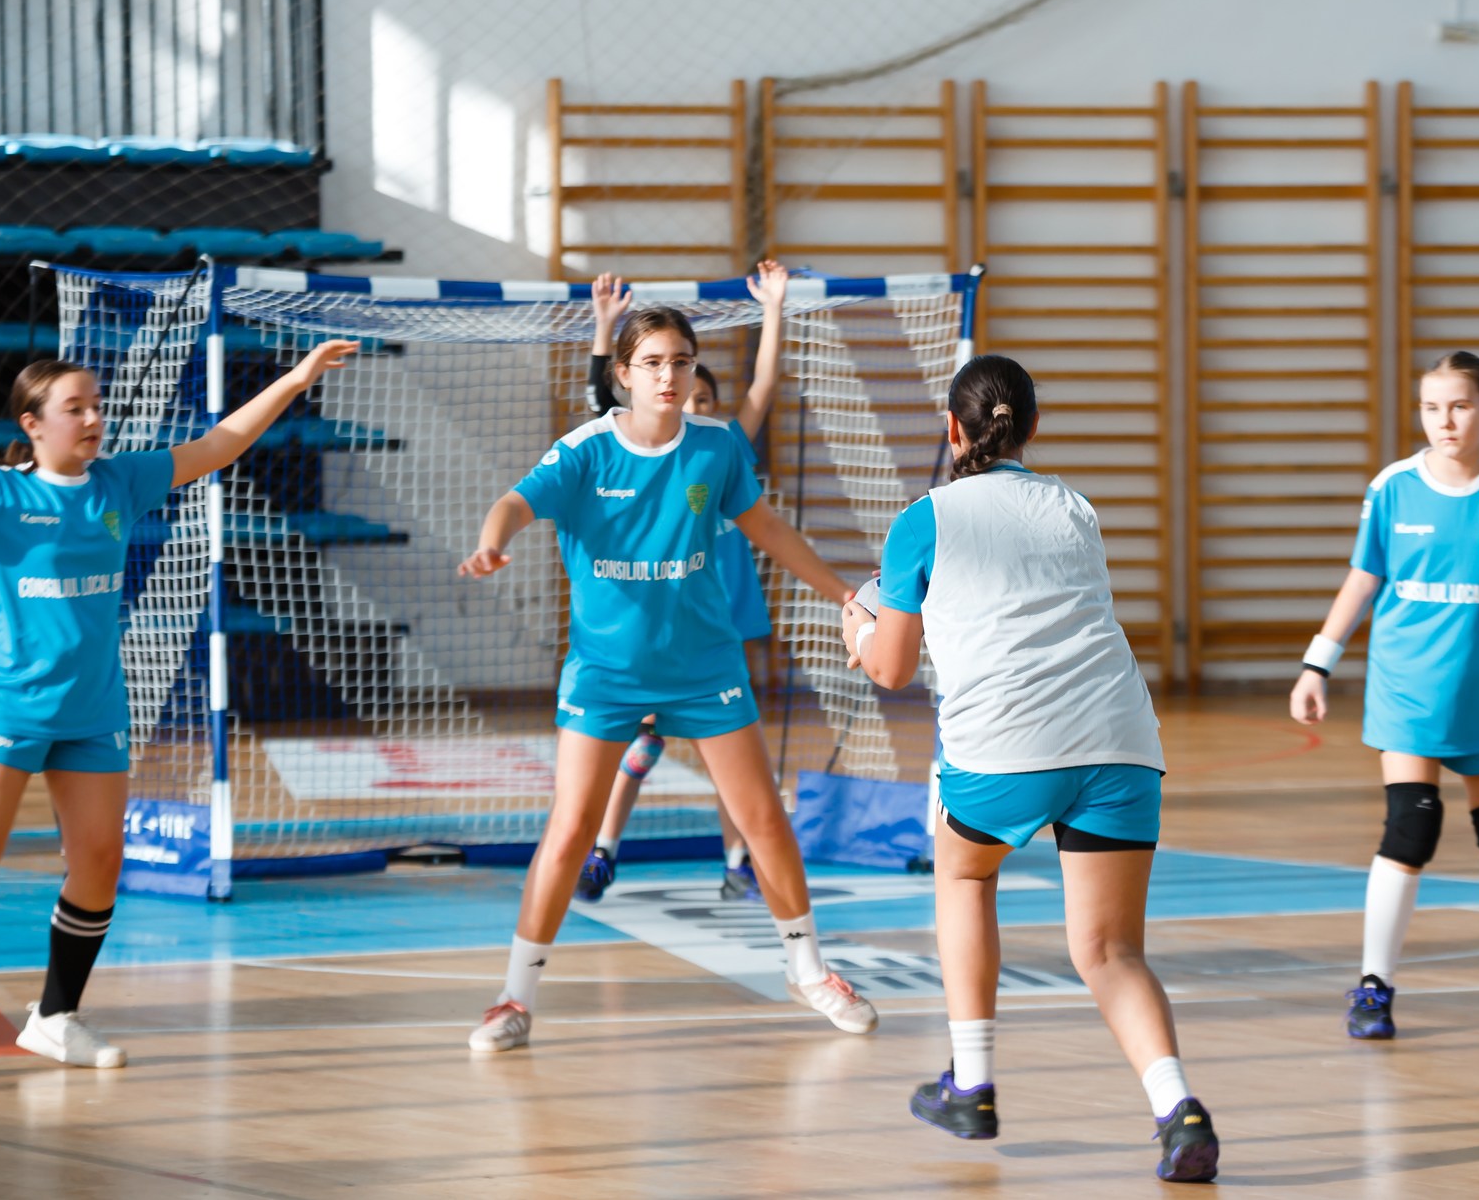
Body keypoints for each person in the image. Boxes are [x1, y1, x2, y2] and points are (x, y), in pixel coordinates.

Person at [0, 340, 359, 1071]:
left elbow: (219, 445)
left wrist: (294, 379)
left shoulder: (118, 483)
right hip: (7, 703)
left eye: (96, 405)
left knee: (100, 861)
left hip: (93, 708)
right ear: (33, 423)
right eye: (75, 408)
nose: (93, 419)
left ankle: (55, 1016)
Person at [458, 298, 877, 1052]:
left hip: (705, 667)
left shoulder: (716, 448)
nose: (668, 376)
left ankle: (808, 969)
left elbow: (768, 528)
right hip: (606, 675)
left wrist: (843, 592)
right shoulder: (586, 450)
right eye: (651, 363)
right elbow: (514, 504)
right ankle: (513, 998)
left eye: (681, 361)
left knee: (764, 820)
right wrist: (492, 543)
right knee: (570, 831)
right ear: (622, 373)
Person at [843, 354, 1219, 1184]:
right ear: (1033, 427)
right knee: (1112, 950)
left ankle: (971, 1082)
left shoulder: (923, 519)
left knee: (964, 874)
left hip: (1005, 747)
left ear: (951, 429)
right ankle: (1179, 1108)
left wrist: (859, 626)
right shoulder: (1075, 507)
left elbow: (892, 668)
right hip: (1118, 738)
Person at [1291, 349, 1479, 1041]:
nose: (1445, 421)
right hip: (1408, 690)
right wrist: (1317, 664)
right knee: (1412, 824)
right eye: (1432, 408)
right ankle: (1374, 987)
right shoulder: (1394, 487)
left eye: (1459, 406)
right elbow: (1363, 578)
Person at [574, 264, 787, 904]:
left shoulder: (723, 448)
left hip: (720, 616)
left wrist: (773, 309)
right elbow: (600, 397)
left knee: (734, 755)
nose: (686, 399)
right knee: (641, 743)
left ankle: (738, 861)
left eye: (700, 394)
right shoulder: (634, 445)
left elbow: (764, 385)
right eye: (661, 374)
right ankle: (603, 851)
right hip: (656, 621)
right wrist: (605, 326)